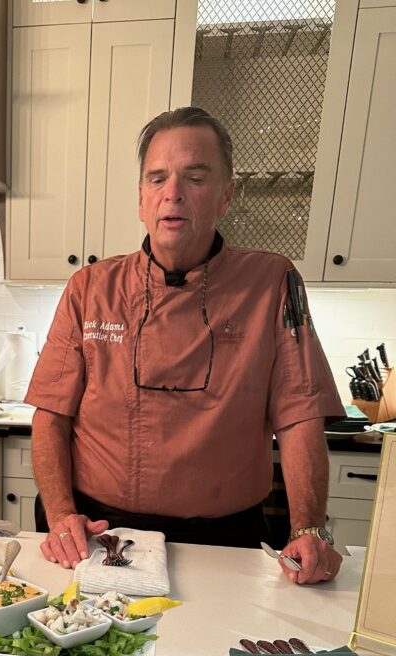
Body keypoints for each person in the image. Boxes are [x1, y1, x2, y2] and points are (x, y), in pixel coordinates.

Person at [25, 107, 345, 585]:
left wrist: (310, 528)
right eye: (157, 179)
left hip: (226, 540)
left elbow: (300, 415)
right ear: (141, 199)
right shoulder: (90, 287)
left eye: (195, 177)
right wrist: (60, 515)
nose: (172, 193)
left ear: (226, 196)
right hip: (99, 533)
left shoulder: (273, 282)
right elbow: (51, 415)